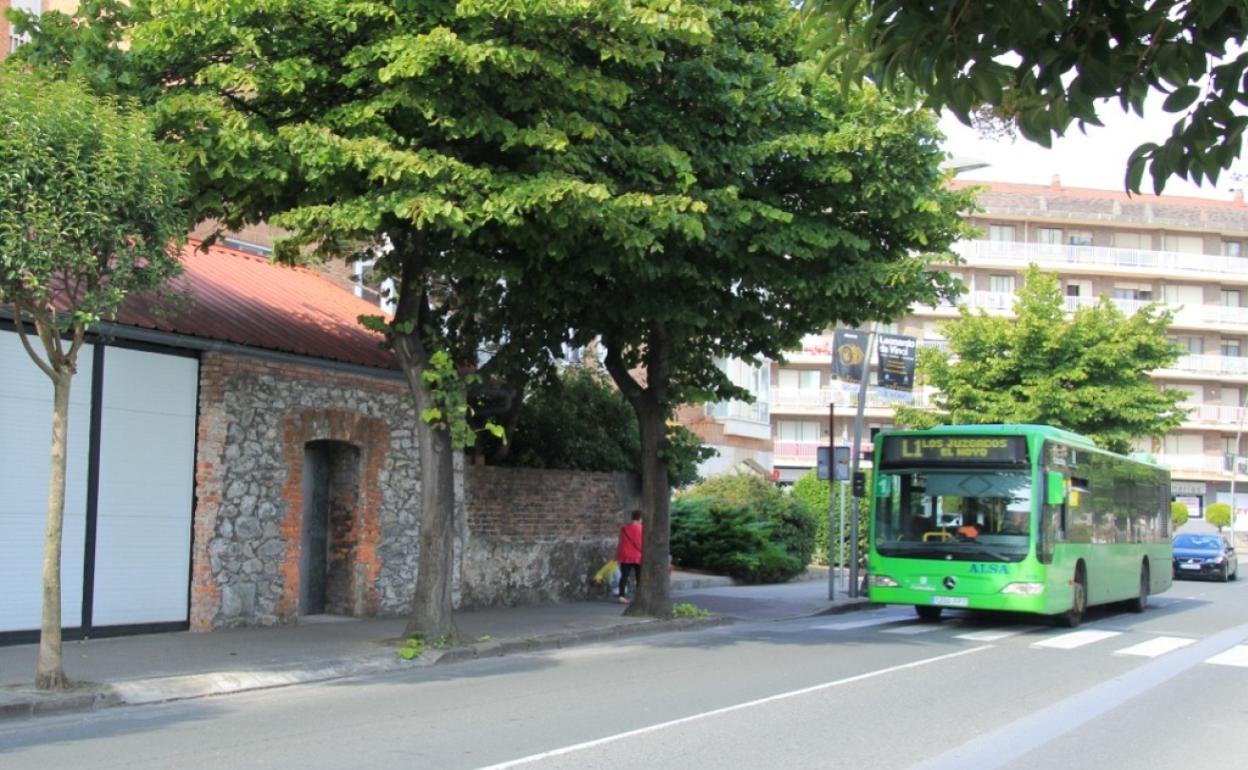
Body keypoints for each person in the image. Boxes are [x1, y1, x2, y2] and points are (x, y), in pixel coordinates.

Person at [615, 510, 643, 603]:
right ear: (640, 518)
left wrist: (618, 556)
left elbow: (621, 543)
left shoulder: (625, 528)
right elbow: (640, 543)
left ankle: (621, 596)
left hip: (625, 555)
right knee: (639, 577)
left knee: (624, 576)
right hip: (637, 556)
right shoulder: (641, 528)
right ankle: (639, 596)